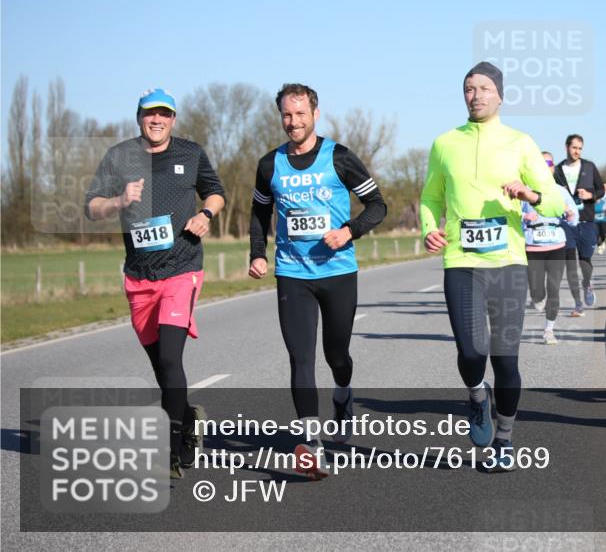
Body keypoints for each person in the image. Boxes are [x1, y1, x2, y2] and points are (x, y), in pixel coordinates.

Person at [421, 62, 564, 471]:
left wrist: (530, 194)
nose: (476, 95)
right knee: (471, 352)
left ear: (500, 95)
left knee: (505, 358)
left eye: (484, 88)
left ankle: (505, 436)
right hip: (461, 261)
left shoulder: (521, 143)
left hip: (507, 263)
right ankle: (476, 395)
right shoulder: (444, 143)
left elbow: (556, 201)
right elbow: (431, 198)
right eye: (469, 88)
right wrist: (431, 227)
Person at [248, 83, 386, 480]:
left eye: (300, 114)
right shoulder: (269, 164)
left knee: (336, 355)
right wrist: (257, 253)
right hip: (293, 273)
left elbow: (378, 205)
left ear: (315, 114)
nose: (293, 122)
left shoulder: (339, 158)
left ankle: (343, 395)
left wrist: (349, 231)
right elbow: (259, 214)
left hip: (338, 271)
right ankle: (312, 445)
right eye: (287, 115)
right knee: (300, 357)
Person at [85, 88, 226, 478]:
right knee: (160, 366)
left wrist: (205, 215)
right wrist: (116, 202)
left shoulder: (190, 153)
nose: (157, 120)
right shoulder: (119, 157)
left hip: (182, 268)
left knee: (169, 357)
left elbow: (216, 192)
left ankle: (173, 448)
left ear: (174, 119)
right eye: (150, 114)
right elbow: (91, 205)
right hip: (139, 276)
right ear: (139, 118)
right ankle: (189, 419)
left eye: (164, 114)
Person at [523, 151, 578, 344]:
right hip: (532, 245)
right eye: (542, 163)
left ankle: (549, 330)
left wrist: (570, 216)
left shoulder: (560, 191)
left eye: (549, 163)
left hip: (556, 244)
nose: (546, 166)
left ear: (553, 167)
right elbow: (512, 216)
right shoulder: (525, 191)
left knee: (553, 288)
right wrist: (524, 218)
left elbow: (574, 218)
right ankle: (538, 298)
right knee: (537, 291)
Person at [554, 135, 604, 313]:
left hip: (586, 220)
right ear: (566, 147)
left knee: (585, 259)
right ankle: (578, 304)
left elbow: (601, 190)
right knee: (569, 262)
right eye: (574, 147)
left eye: (580, 148)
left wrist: (591, 196)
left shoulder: (589, 167)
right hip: (566, 223)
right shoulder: (558, 170)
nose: (577, 151)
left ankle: (587, 284)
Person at [595, 183, 606, 255]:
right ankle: (599, 246)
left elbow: (605, 209)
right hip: (595, 220)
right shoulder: (593, 202)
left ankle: (603, 242)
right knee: (596, 234)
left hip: (603, 220)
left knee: (603, 234)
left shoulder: (605, 201)